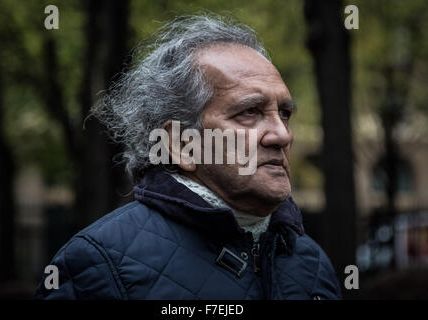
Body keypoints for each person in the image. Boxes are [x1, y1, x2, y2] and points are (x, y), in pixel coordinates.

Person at [35, 14, 342, 300]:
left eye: (284, 113)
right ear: (183, 144)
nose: (282, 135)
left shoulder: (312, 261)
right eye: (250, 111)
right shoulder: (98, 264)